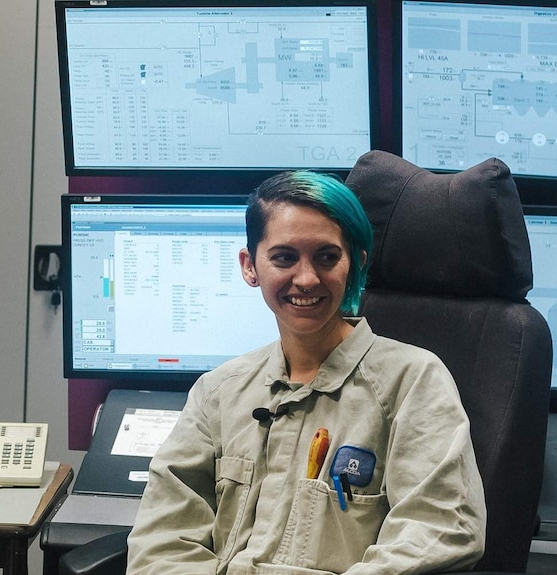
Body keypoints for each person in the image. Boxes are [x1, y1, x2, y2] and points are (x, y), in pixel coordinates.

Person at [126, 170, 486, 575]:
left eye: (327, 257)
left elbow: (438, 529)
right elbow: (161, 542)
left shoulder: (412, 380)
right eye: (284, 257)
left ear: (356, 264)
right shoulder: (218, 391)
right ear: (250, 266)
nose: (307, 278)